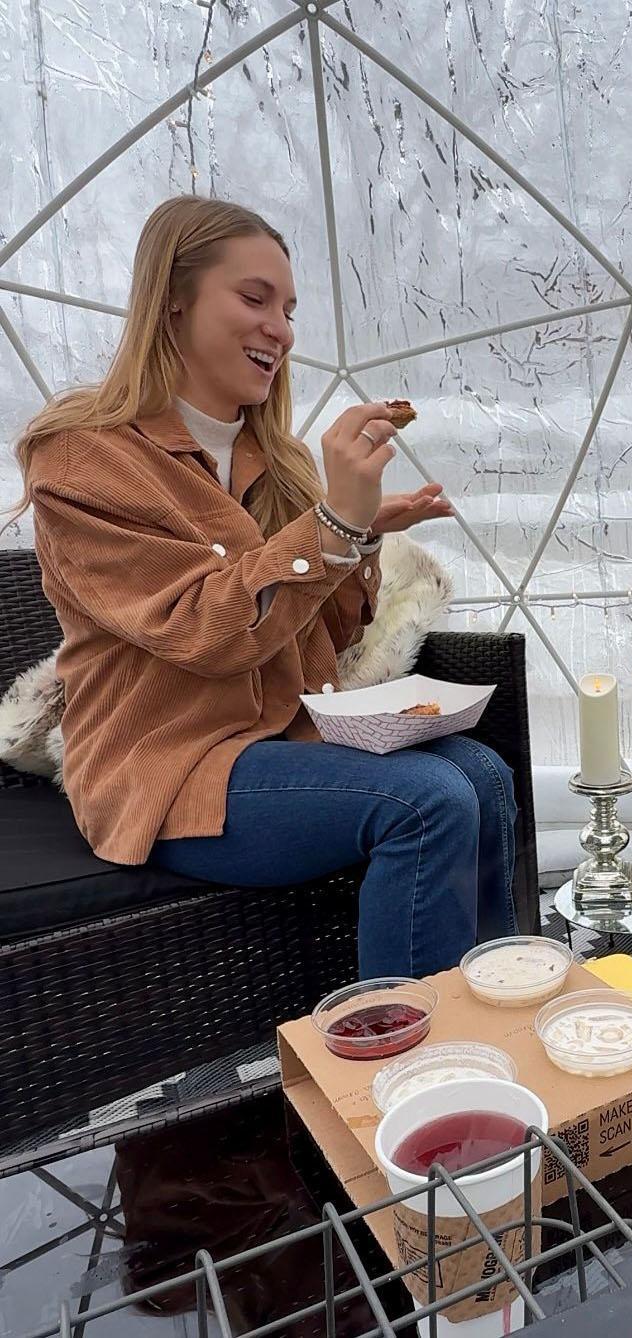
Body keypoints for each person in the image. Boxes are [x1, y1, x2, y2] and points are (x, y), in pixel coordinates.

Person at [14, 196, 517, 978]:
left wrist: (358, 540)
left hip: (283, 741)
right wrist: (332, 530)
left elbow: (327, 641)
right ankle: (412, 1074)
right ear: (172, 299)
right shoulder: (84, 458)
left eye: (287, 309)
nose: (280, 329)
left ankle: (498, 1010)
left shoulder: (272, 460)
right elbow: (206, 632)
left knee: (483, 775)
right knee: (428, 802)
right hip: (170, 766)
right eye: (254, 299)